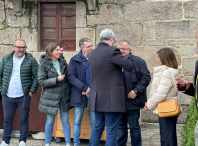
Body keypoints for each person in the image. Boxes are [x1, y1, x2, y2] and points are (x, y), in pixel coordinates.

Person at [87, 28, 134, 146]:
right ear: (111, 39)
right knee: (112, 130)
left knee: (97, 128)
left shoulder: (92, 53)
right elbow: (129, 66)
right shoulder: (113, 51)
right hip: (111, 99)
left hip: (96, 97)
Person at [0, 39, 39, 146]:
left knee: (24, 119)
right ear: (14, 47)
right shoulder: (6, 59)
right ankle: (5, 141)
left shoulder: (31, 60)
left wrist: (31, 91)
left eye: (24, 47)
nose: (22, 49)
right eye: (19, 47)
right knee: (7, 119)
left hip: (23, 95)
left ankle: (22, 141)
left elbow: (36, 77)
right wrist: (1, 90)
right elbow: (0, 74)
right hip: (7, 95)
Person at [117, 40, 151, 146]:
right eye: (119, 48)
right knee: (120, 128)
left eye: (124, 49)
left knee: (134, 128)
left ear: (130, 50)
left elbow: (146, 78)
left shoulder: (138, 61)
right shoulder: (114, 62)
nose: (121, 51)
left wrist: (136, 91)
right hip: (118, 102)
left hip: (133, 101)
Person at [38, 42, 71, 146]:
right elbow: (42, 81)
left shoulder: (64, 63)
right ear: (51, 51)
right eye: (57, 50)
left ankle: (68, 143)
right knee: (50, 121)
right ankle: (48, 143)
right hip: (50, 98)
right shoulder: (43, 64)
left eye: (61, 50)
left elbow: (69, 79)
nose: (60, 52)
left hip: (63, 97)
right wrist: (56, 79)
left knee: (65, 120)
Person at [144, 48, 179, 146]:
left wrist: (149, 104)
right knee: (168, 137)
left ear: (164, 58)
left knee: (167, 139)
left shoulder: (167, 72)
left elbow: (161, 94)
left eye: (159, 57)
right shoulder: (168, 71)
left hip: (167, 108)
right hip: (166, 107)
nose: (157, 59)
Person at [68, 38, 95, 146]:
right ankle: (76, 143)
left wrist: (91, 89)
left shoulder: (95, 59)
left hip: (93, 94)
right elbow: (71, 77)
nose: (91, 48)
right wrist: (84, 88)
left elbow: (99, 75)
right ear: (82, 48)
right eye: (88, 46)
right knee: (77, 121)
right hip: (79, 94)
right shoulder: (74, 60)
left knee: (94, 122)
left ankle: (93, 143)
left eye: (91, 46)